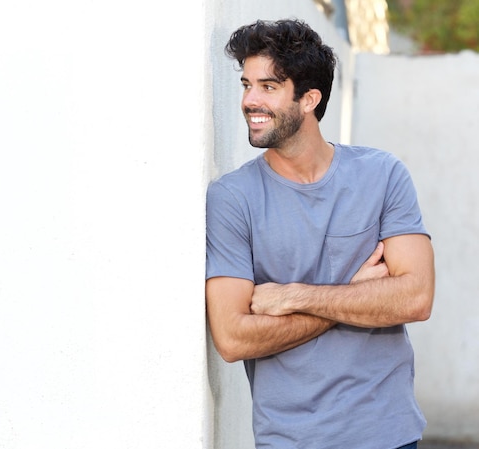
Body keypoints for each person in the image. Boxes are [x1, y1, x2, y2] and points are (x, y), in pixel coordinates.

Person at [205, 19, 435, 449]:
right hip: (291, 439)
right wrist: (350, 296)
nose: (249, 101)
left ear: (310, 98)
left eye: (268, 86)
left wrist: (294, 297)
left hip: (389, 434)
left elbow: (416, 298)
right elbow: (233, 337)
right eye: (246, 85)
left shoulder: (382, 175)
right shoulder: (232, 199)